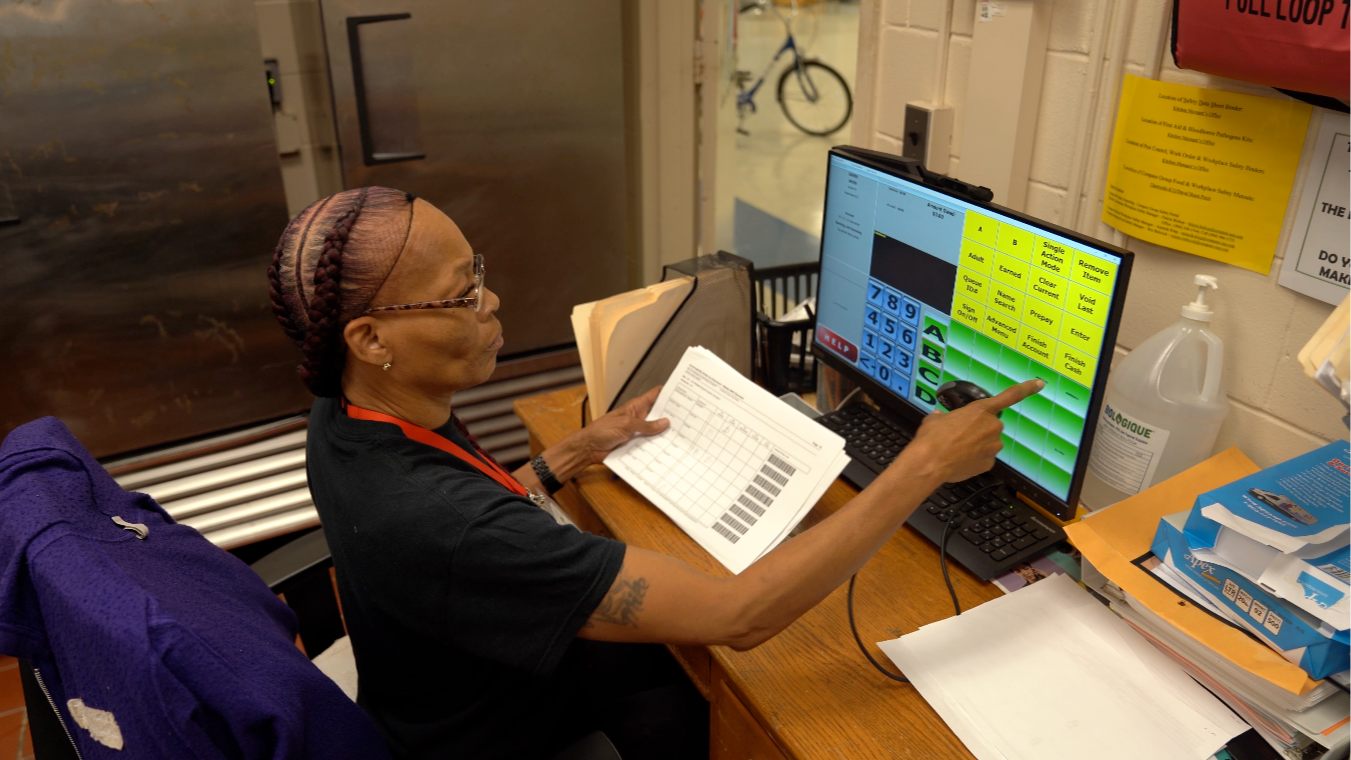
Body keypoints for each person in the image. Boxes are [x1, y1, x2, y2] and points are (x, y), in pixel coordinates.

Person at [267, 187, 1042, 760]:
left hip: (452, 688)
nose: (490, 298)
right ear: (369, 339)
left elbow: (463, 508)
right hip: (507, 737)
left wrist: (570, 453)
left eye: (478, 271)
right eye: (461, 293)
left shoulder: (346, 414)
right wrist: (924, 464)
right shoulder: (444, 521)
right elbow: (738, 617)